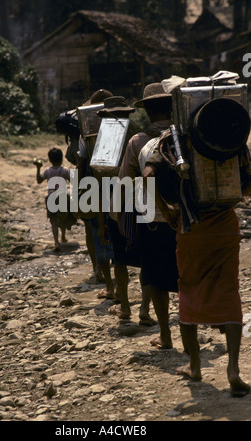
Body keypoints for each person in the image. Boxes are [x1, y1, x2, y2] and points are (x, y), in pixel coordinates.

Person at [142, 96, 251, 396]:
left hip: (191, 228)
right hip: (226, 228)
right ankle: (233, 369)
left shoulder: (172, 140)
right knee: (229, 292)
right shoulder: (232, 138)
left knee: (188, 290)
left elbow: (147, 176)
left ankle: (195, 366)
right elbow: (248, 182)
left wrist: (167, 212)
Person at [118, 83, 179, 345]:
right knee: (185, 273)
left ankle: (165, 334)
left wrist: (120, 217)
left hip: (151, 219)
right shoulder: (183, 138)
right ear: (172, 108)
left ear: (147, 113)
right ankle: (192, 336)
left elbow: (124, 183)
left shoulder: (138, 141)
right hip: (184, 218)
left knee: (154, 276)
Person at [95, 96, 143, 319]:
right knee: (146, 255)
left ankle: (125, 305)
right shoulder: (139, 132)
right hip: (144, 196)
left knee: (120, 259)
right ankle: (145, 308)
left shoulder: (108, 134)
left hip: (118, 199)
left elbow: (101, 174)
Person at [77, 89, 116, 299]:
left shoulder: (87, 132)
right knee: (118, 228)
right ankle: (117, 277)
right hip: (119, 182)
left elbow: (81, 163)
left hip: (95, 185)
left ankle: (103, 277)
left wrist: (79, 192)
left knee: (95, 228)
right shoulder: (123, 127)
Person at [34, 147, 76, 252]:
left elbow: (39, 180)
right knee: (63, 217)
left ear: (50, 160)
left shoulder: (47, 171)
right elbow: (73, 182)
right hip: (62, 197)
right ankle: (63, 236)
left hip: (51, 197)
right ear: (62, 159)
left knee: (54, 220)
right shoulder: (65, 170)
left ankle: (56, 242)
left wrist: (38, 168)